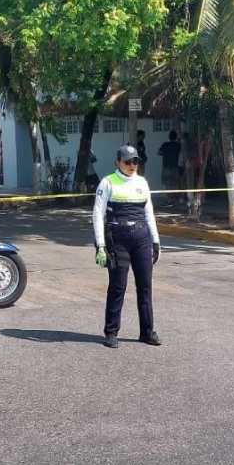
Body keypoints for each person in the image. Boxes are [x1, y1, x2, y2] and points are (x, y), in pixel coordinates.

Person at [93, 145, 162, 349]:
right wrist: (100, 245)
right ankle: (111, 332)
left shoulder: (142, 182)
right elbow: (97, 214)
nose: (132, 165)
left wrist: (156, 241)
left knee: (145, 286)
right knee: (117, 287)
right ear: (118, 162)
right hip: (117, 239)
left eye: (135, 161)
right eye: (128, 161)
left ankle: (147, 332)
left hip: (142, 239)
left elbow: (149, 213)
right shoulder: (107, 182)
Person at [158, 130, 182, 204]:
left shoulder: (165, 144)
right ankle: (174, 199)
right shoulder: (178, 145)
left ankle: (169, 199)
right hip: (175, 166)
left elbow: (159, 152)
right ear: (176, 137)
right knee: (175, 183)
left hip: (166, 166)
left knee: (167, 184)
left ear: (169, 137)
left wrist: (166, 153)